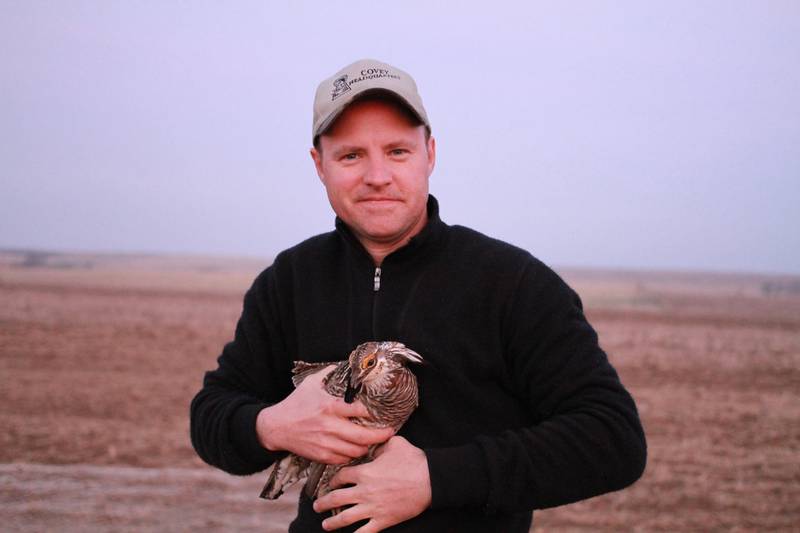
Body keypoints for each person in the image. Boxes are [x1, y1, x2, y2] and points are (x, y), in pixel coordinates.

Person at [190, 58, 646, 532]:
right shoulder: (290, 279)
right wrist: (271, 426)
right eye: (351, 156)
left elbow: (613, 439)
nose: (377, 176)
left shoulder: (513, 284)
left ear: (430, 153)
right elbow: (211, 412)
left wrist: (435, 478)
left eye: (397, 152)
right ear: (318, 165)